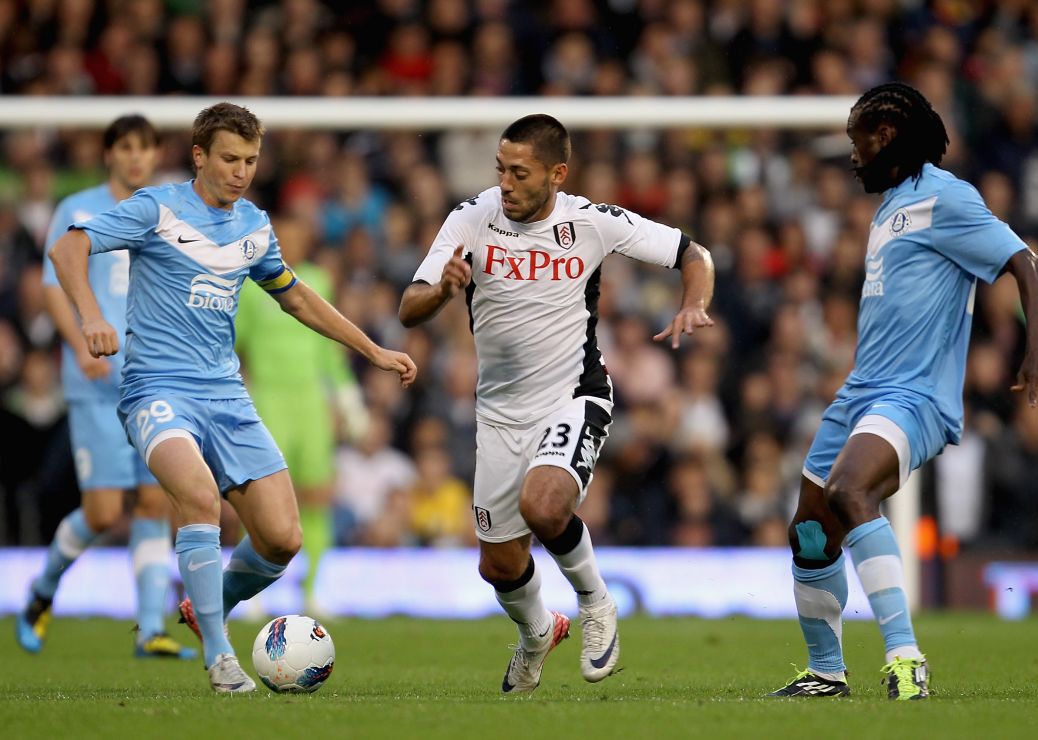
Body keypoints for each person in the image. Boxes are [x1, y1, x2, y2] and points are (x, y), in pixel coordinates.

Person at [47, 102, 416, 693]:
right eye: (229, 159)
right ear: (199, 156)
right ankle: (220, 658)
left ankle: (204, 602)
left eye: (250, 160)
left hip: (226, 395)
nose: (241, 171)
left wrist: (371, 350)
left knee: (282, 539)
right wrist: (91, 318)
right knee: (198, 498)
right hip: (156, 390)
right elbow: (68, 249)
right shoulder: (157, 207)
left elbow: (295, 297)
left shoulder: (253, 225)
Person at [769, 82, 1038, 701]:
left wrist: (1037, 345)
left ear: (886, 140)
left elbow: (1029, 263)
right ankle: (827, 672)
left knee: (850, 491)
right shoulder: (891, 206)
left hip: (914, 397)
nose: (853, 158)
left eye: (858, 145)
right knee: (809, 531)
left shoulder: (948, 196)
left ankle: (906, 658)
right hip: (862, 391)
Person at [399, 114, 714, 694]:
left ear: (556, 174)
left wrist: (693, 303)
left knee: (545, 505)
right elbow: (408, 307)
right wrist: (443, 289)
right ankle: (538, 633)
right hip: (497, 414)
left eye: (520, 173)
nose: (506, 184)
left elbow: (693, 252)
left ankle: (598, 604)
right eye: (501, 170)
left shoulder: (591, 222)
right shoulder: (470, 218)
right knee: (498, 566)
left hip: (575, 395)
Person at [17, 115, 195, 661]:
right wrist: (78, 345)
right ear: (109, 154)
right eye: (126, 148)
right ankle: (41, 592)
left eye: (146, 148)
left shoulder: (165, 211)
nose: (137, 158)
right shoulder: (78, 209)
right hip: (96, 382)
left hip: (151, 380)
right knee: (100, 513)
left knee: (152, 502)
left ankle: (149, 629)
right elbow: (53, 288)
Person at [235, 216, 368, 613]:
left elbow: (329, 351)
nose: (291, 243)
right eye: (283, 237)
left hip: (310, 402)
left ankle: (311, 590)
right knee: (261, 499)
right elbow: (234, 343)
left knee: (316, 498)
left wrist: (347, 400)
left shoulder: (318, 281)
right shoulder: (250, 285)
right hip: (268, 400)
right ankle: (251, 590)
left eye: (298, 236)